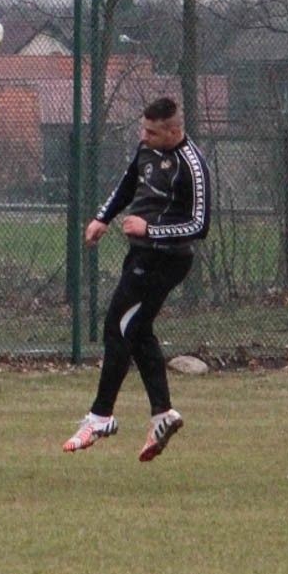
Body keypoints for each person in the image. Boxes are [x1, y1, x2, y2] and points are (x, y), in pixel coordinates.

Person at [62, 96, 211, 459]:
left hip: (167, 260)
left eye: (152, 132)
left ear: (174, 131)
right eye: (143, 129)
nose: (143, 137)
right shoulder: (145, 150)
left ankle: (100, 416)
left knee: (117, 326)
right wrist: (103, 217)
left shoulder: (192, 165)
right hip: (142, 255)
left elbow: (199, 225)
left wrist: (151, 228)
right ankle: (162, 413)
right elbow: (127, 185)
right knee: (138, 330)